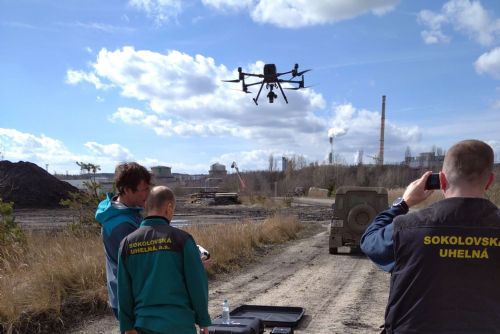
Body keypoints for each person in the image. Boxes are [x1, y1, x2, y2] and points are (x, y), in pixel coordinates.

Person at [360, 139, 499, 333]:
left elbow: (369, 241)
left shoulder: (407, 228)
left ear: (441, 180)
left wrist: (402, 203)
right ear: (490, 181)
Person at [117, 186, 211, 334]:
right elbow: (197, 284)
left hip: (143, 325)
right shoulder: (182, 239)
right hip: (179, 325)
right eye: (173, 210)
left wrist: (127, 327)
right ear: (168, 208)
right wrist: (203, 321)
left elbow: (123, 290)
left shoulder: (127, 243)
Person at [95, 162, 152, 319]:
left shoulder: (127, 212)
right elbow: (141, 265)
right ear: (127, 190)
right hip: (130, 302)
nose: (149, 193)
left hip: (130, 296)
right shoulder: (121, 225)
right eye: (145, 189)